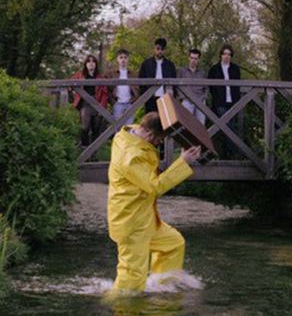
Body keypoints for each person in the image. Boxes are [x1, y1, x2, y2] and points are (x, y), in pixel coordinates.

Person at [107, 112, 201, 293]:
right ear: (150, 135)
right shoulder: (132, 156)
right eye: (159, 140)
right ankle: (120, 310)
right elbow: (154, 186)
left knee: (173, 244)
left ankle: (162, 288)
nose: (159, 144)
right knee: (132, 276)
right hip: (131, 221)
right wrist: (183, 162)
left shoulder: (130, 132)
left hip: (144, 216)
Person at [207, 44, 241, 158]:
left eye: (229, 54)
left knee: (231, 126)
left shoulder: (235, 69)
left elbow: (238, 85)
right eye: (224, 54)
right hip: (220, 103)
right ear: (221, 55)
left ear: (231, 56)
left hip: (233, 102)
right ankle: (231, 152)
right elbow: (211, 87)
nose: (227, 56)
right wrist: (216, 98)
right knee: (226, 127)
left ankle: (227, 153)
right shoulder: (214, 69)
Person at [70, 54, 109, 148]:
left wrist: (102, 108)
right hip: (85, 104)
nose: (91, 64)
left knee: (96, 129)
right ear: (85, 64)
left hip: (97, 104)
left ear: (96, 64)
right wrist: (74, 92)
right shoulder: (80, 75)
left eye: (93, 61)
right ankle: (84, 149)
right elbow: (69, 83)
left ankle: (94, 153)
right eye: (89, 61)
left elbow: (105, 94)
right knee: (85, 127)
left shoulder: (101, 77)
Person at [138, 38, 176, 113]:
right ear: (154, 49)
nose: (160, 51)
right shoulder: (146, 64)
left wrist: (171, 95)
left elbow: (174, 82)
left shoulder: (170, 65)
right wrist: (145, 95)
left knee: (165, 122)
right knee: (151, 121)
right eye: (158, 49)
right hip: (150, 98)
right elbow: (141, 80)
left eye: (162, 49)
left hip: (165, 98)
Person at [106, 48, 139, 125]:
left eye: (125, 57)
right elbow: (108, 89)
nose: (123, 60)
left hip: (130, 103)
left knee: (129, 127)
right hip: (117, 103)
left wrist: (135, 101)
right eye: (121, 57)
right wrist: (112, 101)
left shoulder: (133, 74)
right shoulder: (112, 74)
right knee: (117, 127)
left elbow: (139, 88)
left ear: (128, 59)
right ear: (117, 59)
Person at [177, 48, 207, 125]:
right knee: (186, 124)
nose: (193, 60)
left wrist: (203, 98)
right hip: (187, 100)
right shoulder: (182, 71)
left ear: (198, 60)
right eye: (192, 58)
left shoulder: (202, 73)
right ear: (189, 58)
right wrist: (182, 98)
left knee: (200, 125)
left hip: (200, 100)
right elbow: (177, 86)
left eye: (195, 58)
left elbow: (206, 87)